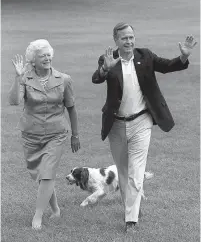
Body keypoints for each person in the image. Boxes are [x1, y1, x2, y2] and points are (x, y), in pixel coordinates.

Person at [92, 22, 197, 234]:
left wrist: (184, 56)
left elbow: (167, 65)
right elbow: (97, 78)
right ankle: (133, 206)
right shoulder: (109, 59)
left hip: (141, 122)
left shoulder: (145, 55)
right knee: (122, 171)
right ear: (116, 40)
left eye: (131, 37)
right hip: (116, 124)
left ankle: (130, 219)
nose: (129, 41)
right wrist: (105, 68)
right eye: (124, 38)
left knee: (136, 172)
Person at [8, 39, 80, 230]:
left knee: (48, 173)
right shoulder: (25, 78)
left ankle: (37, 216)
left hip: (56, 133)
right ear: (33, 60)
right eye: (42, 56)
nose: (47, 58)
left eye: (49, 54)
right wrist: (17, 78)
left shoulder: (64, 79)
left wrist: (75, 134)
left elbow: (71, 108)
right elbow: (14, 101)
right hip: (31, 134)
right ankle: (55, 209)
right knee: (41, 175)